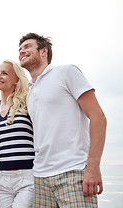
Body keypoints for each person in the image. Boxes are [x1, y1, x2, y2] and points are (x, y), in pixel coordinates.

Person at [18, 33, 107, 207]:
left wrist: (93, 166)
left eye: (27, 46)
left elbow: (98, 117)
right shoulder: (29, 94)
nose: (21, 51)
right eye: (20, 49)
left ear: (44, 51)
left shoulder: (66, 72)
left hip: (73, 172)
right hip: (40, 178)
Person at [0, 60, 34, 207]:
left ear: (16, 80)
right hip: (1, 178)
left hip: (26, 176)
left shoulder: (28, 102)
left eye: (4, 73)